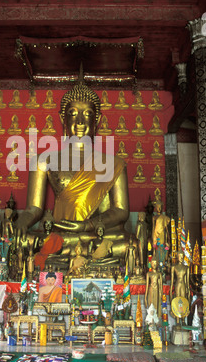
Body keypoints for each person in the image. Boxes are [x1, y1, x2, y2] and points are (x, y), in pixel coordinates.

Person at [15, 76, 132, 268]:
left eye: (87, 114)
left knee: (128, 244)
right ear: (63, 118)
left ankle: (70, 256)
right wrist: (22, 222)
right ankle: (88, 257)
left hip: (94, 233)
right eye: (73, 113)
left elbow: (121, 211)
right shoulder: (44, 160)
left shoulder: (114, 163)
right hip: (62, 233)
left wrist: (87, 226)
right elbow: (34, 209)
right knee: (20, 240)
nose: (79, 121)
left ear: (97, 119)